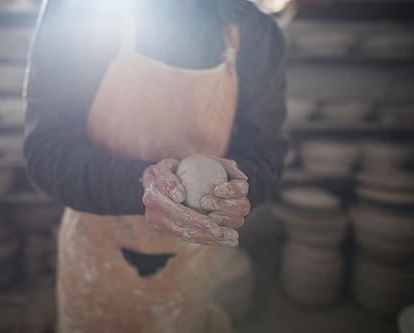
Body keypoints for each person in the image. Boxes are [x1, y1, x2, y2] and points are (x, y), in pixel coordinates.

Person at [23, 0, 288, 331]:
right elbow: (44, 150)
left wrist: (237, 187)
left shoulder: (254, 31)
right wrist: (139, 183)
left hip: (188, 261)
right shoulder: (78, 10)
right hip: (95, 253)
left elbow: (267, 154)